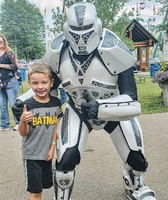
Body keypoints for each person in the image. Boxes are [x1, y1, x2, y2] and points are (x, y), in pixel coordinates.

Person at [13, 2, 156, 200]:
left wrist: (101, 108)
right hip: (77, 109)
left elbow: (133, 102)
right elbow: (46, 86)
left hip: (113, 107)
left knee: (137, 159)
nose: (81, 35)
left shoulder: (112, 47)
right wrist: (22, 101)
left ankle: (135, 185)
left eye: (86, 29)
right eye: (76, 29)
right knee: (65, 161)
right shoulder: (58, 51)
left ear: (96, 25)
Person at [18, 62, 62, 200]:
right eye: (35, 83)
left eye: (44, 82)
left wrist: (53, 147)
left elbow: (56, 125)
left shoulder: (56, 103)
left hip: (47, 154)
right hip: (32, 155)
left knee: (44, 186)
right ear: (30, 84)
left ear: (51, 82)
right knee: (35, 192)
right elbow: (23, 133)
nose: (40, 87)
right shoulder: (28, 105)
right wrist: (22, 120)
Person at [0, 33, 19, 131]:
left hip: (10, 81)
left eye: (1, 41)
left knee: (13, 104)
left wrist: (1, 65)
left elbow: (15, 66)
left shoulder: (9, 52)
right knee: (2, 105)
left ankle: (18, 123)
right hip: (0, 83)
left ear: (4, 41)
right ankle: (5, 125)